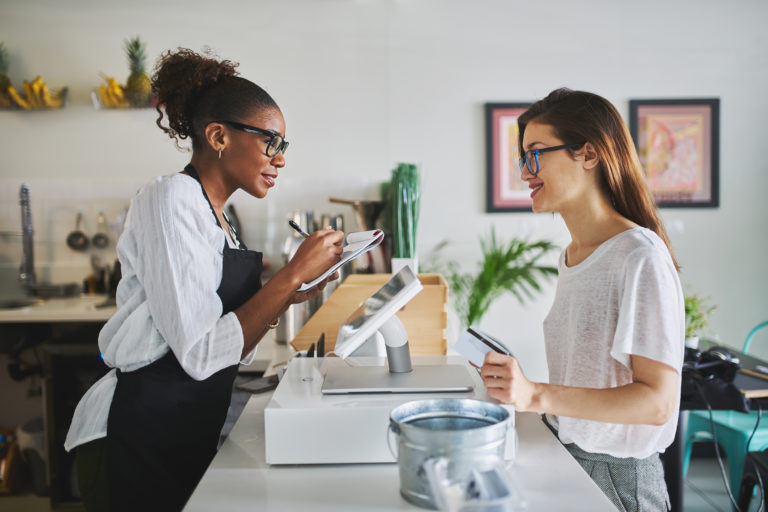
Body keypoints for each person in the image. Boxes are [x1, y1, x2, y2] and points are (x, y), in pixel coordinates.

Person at [65, 48, 344, 512]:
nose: (279, 159)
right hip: (135, 435)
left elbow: (232, 345)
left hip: (180, 430)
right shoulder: (171, 198)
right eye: (270, 141)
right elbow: (199, 353)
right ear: (218, 136)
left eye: (283, 147)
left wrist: (286, 296)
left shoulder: (222, 219)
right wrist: (291, 272)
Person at [480, 88, 684, 511]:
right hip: (570, 458)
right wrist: (518, 389)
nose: (524, 173)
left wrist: (536, 395)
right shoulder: (573, 256)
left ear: (588, 155)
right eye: (523, 158)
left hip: (619, 480)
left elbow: (658, 403)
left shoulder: (640, 256)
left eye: (535, 153)